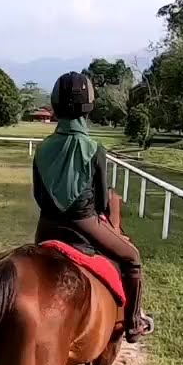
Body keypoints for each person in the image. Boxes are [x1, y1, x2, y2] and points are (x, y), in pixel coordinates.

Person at [32, 71, 152, 342]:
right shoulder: (94, 148)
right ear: (88, 107)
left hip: (47, 227)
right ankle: (133, 323)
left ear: (56, 105)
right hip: (85, 225)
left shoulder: (42, 148)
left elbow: (39, 196)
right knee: (132, 259)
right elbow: (100, 202)